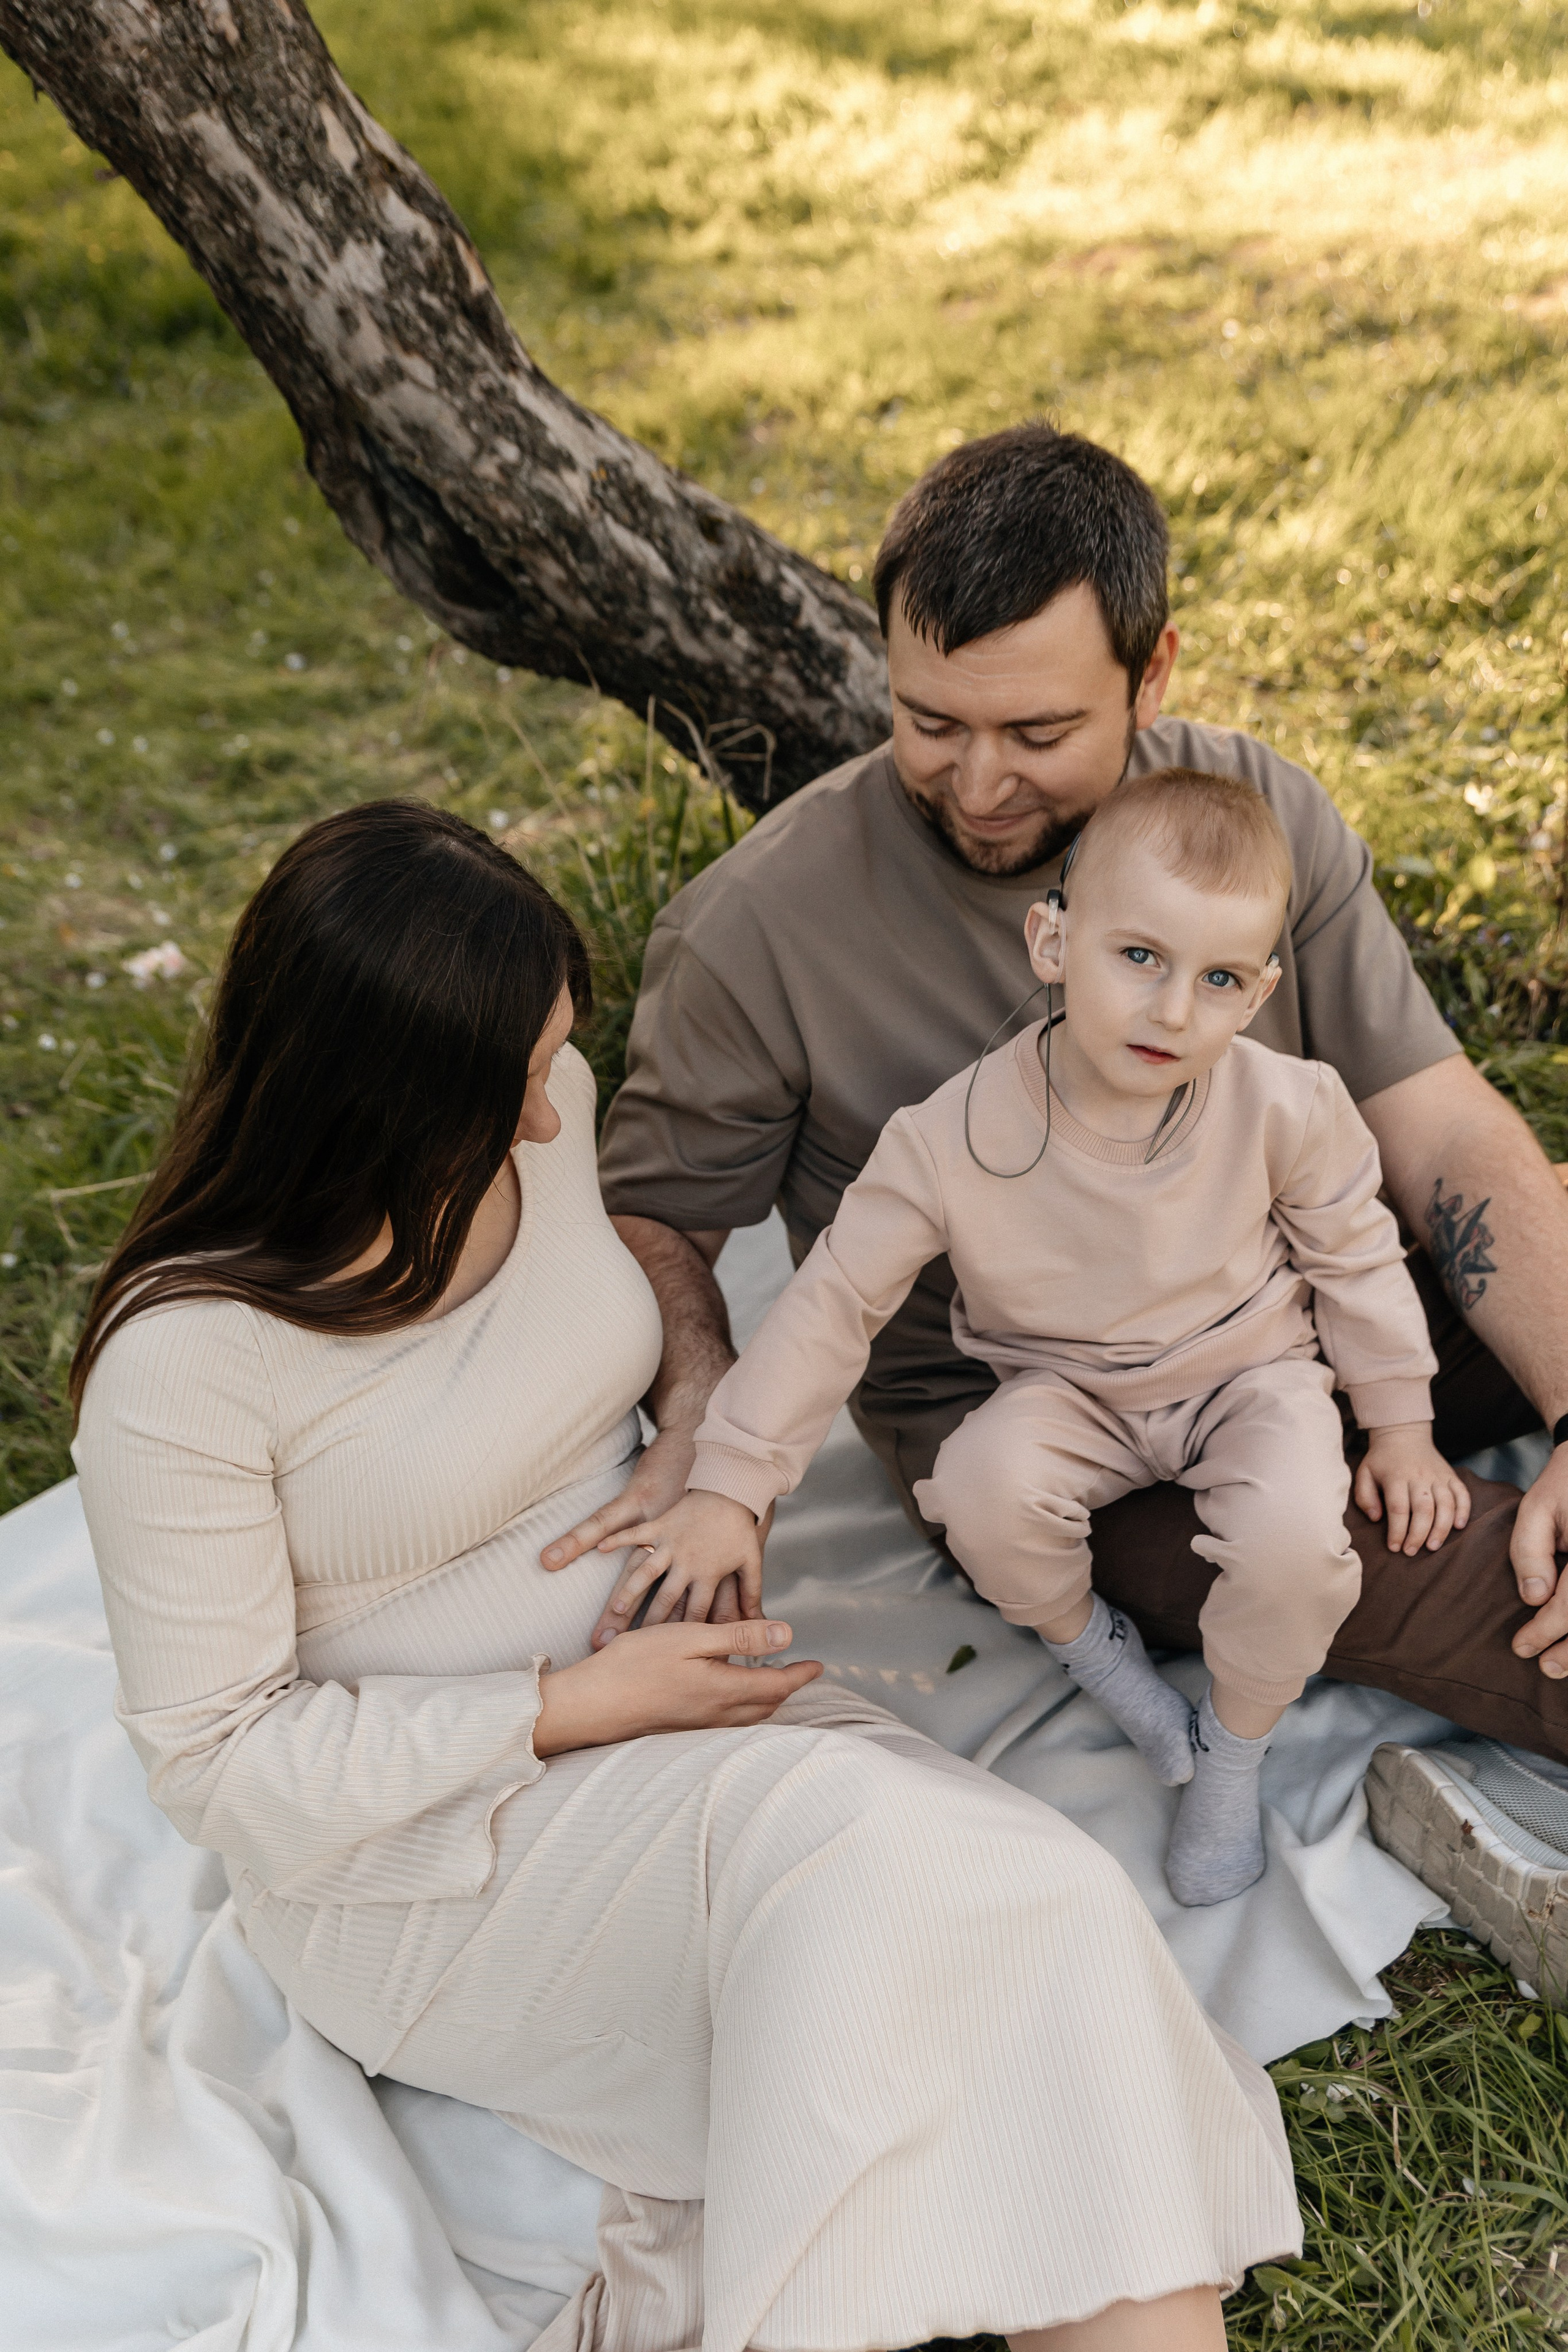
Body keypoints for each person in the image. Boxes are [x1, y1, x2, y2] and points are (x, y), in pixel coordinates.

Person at [69, 800, 1302, 2352]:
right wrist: (568, 1704)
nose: (547, 1112)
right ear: (362, 1100)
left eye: (550, 1057)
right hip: (429, 1850)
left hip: (684, 1709)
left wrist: (689, 1415)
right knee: (875, 1874)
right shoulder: (184, 1371)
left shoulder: (553, 1099)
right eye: (507, 1084)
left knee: (1020, 1892)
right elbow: (218, 1766)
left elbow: (634, 1299)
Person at [576, 423, 1568, 1955]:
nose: (975, 783)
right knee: (1421, 1583)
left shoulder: (1251, 818)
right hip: (1053, 1432)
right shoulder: (757, 928)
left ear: (1150, 670)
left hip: (1288, 1314)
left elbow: (1437, 1130)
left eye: (1035, 734)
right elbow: (647, 1216)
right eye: (926, 722)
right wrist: (703, 1399)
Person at [594, 768, 1471, 1907]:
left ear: (1257, 995)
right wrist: (732, 1482)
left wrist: (1401, 1425)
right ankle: (1108, 1668)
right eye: (1139, 959)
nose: (1171, 1012)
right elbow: (832, 1304)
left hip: (1249, 1371)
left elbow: (1356, 1257)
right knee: (981, 1492)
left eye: (1215, 980)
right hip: (1070, 1387)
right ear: (1054, 941)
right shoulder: (952, 1135)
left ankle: (1233, 1754)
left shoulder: (1286, 1104)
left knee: (1300, 1548)